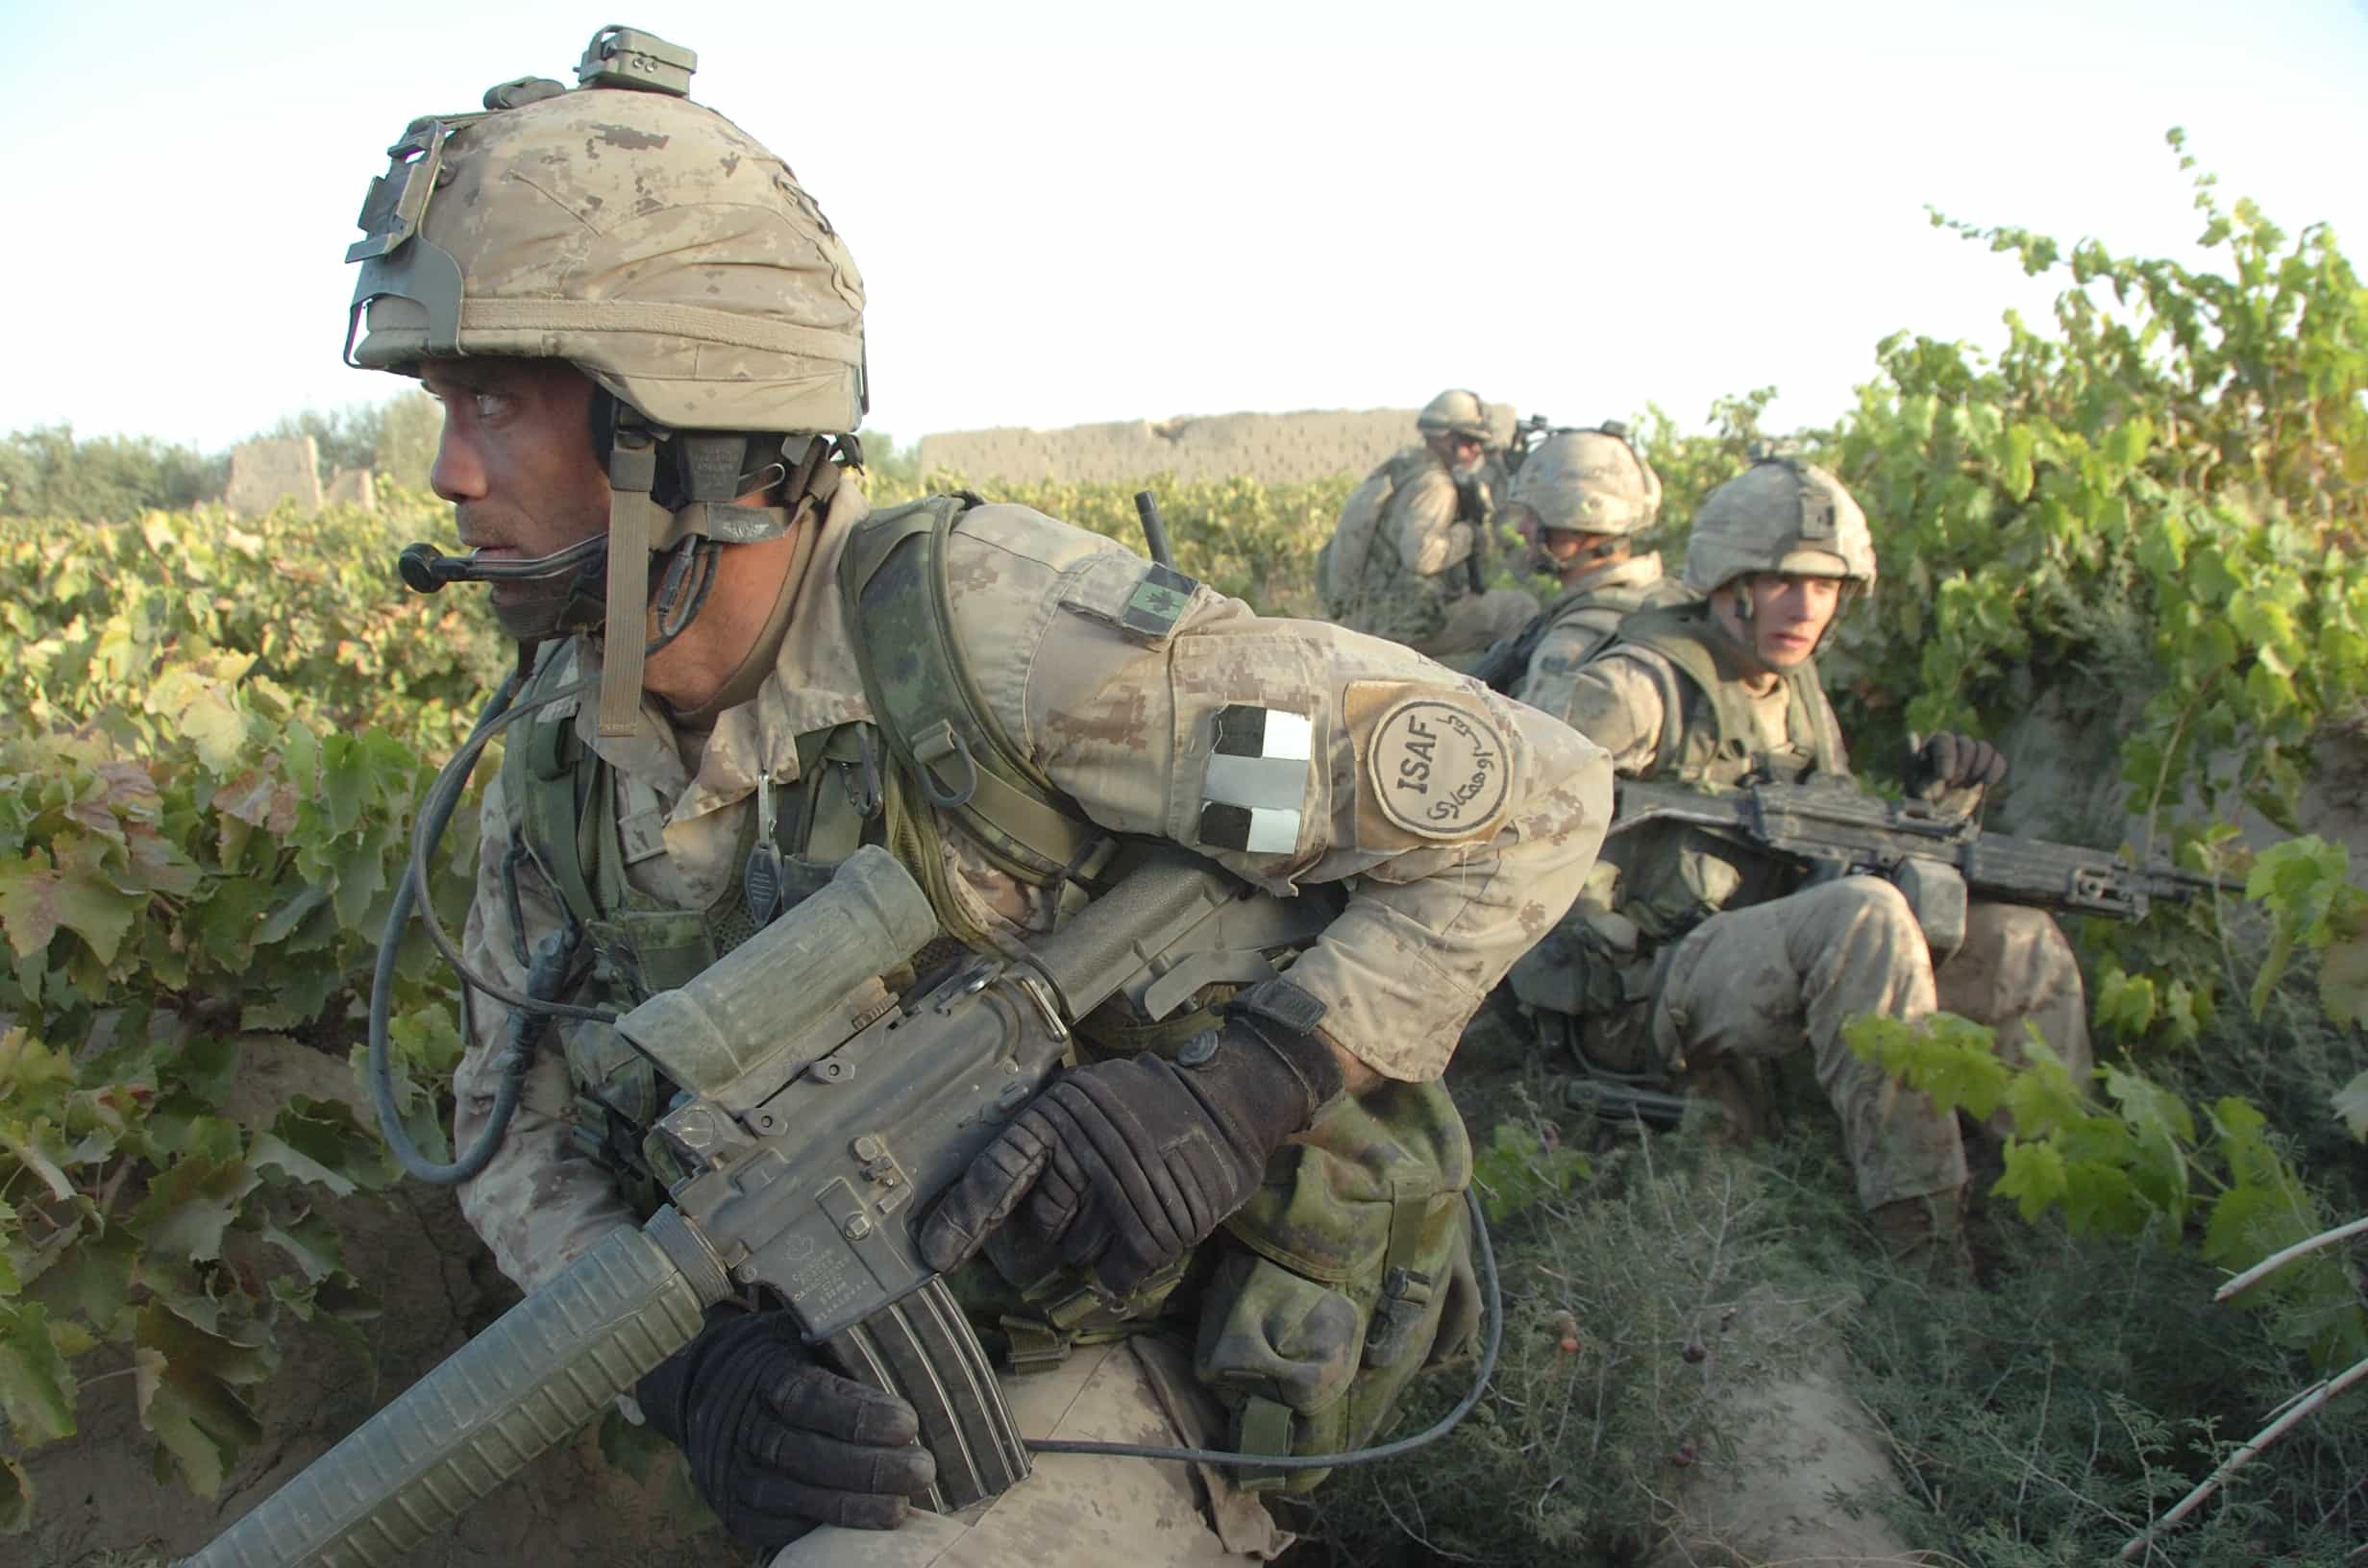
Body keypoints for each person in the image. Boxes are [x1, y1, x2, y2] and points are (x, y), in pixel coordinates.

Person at [339, 30, 1607, 1566]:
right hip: (849, 1337)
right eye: (443, 411)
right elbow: (511, 1122)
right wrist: (687, 1373)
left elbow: (1536, 794)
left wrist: (1246, 1081)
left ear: (677, 414)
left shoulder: (1008, 645)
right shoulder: (558, 759)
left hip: (1144, 1331)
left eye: (495, 407)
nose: (448, 479)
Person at [1505, 456, 2091, 1266]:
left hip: (1754, 955)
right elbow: (1502, 796)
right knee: (1868, 920)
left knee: (2023, 940)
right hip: (1636, 986)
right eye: (1782, 582)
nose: (1806, 608)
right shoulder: (1640, 686)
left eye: (1826, 588)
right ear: (1727, 581)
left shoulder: (1795, 689)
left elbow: (1823, 833)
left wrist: (1927, 818)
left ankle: (2054, 1238)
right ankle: (1928, 1258)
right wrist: (1586, 933)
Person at [1316, 389, 1539, 660]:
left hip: (1368, 614)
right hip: (1399, 624)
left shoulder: (1402, 469)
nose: (1476, 449)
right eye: (1469, 440)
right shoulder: (1436, 485)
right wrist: (1469, 534)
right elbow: (1422, 557)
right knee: (1518, 609)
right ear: (1446, 437)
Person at [1488, 421, 1692, 712]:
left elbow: (1539, 753)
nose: (1522, 528)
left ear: (1571, 520)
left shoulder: (1574, 642)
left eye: (1533, 517)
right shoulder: (1668, 597)